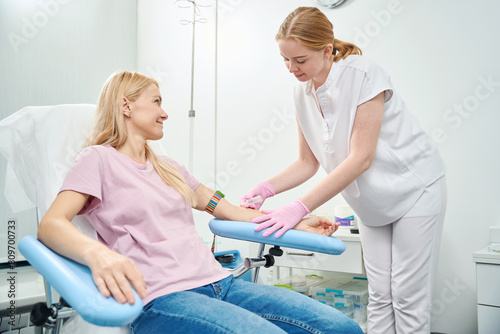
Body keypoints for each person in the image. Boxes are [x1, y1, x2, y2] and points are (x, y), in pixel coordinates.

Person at [37, 70, 362, 334]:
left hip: (222, 283)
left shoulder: (170, 168)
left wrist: (291, 218)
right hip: (163, 297)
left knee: (341, 328)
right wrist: (97, 255)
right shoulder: (97, 160)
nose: (165, 113)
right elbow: (51, 225)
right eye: (156, 101)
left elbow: (229, 210)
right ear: (126, 106)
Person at [240, 7, 447, 334]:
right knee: (379, 296)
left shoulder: (363, 74)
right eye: (286, 60)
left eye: (301, 60)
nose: (292, 69)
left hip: (414, 190)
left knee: (407, 298)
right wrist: (266, 188)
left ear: (326, 51)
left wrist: (299, 208)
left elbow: (360, 158)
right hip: (370, 203)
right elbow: (306, 164)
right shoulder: (301, 93)